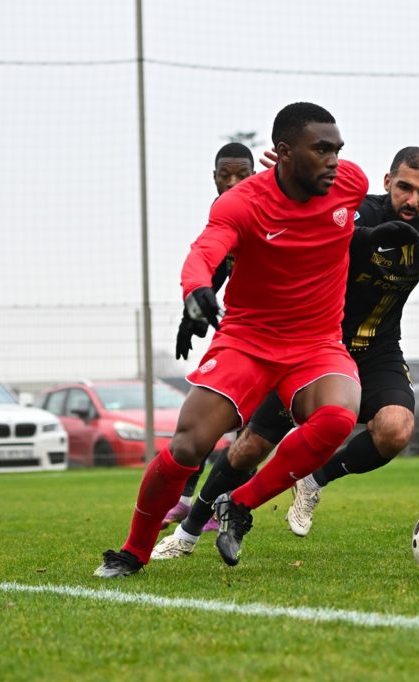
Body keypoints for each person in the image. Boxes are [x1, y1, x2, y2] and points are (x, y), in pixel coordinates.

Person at [94, 102, 418, 577]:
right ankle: (132, 551)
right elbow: (206, 250)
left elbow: (355, 225)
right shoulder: (242, 203)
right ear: (284, 153)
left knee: (336, 418)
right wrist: (196, 291)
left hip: (317, 343)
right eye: (321, 150)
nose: (334, 160)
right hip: (247, 340)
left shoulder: (348, 182)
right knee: (188, 446)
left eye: (337, 150)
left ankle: (239, 505)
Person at [151, 146, 419, 560]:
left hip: (378, 350)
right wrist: (288, 183)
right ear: (387, 182)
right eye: (404, 187)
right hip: (316, 348)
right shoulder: (359, 211)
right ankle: (188, 531)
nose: (412, 199)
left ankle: (313, 480)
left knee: (397, 429)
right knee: (250, 446)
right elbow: (315, 222)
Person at [161, 141, 256, 533]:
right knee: (207, 418)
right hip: (239, 334)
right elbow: (214, 269)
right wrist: (191, 317)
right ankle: (188, 501)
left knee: (252, 432)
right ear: (214, 178)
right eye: (224, 175)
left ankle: (219, 502)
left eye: (241, 175)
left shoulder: (270, 209)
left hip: (282, 335)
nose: (232, 183)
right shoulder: (223, 219)